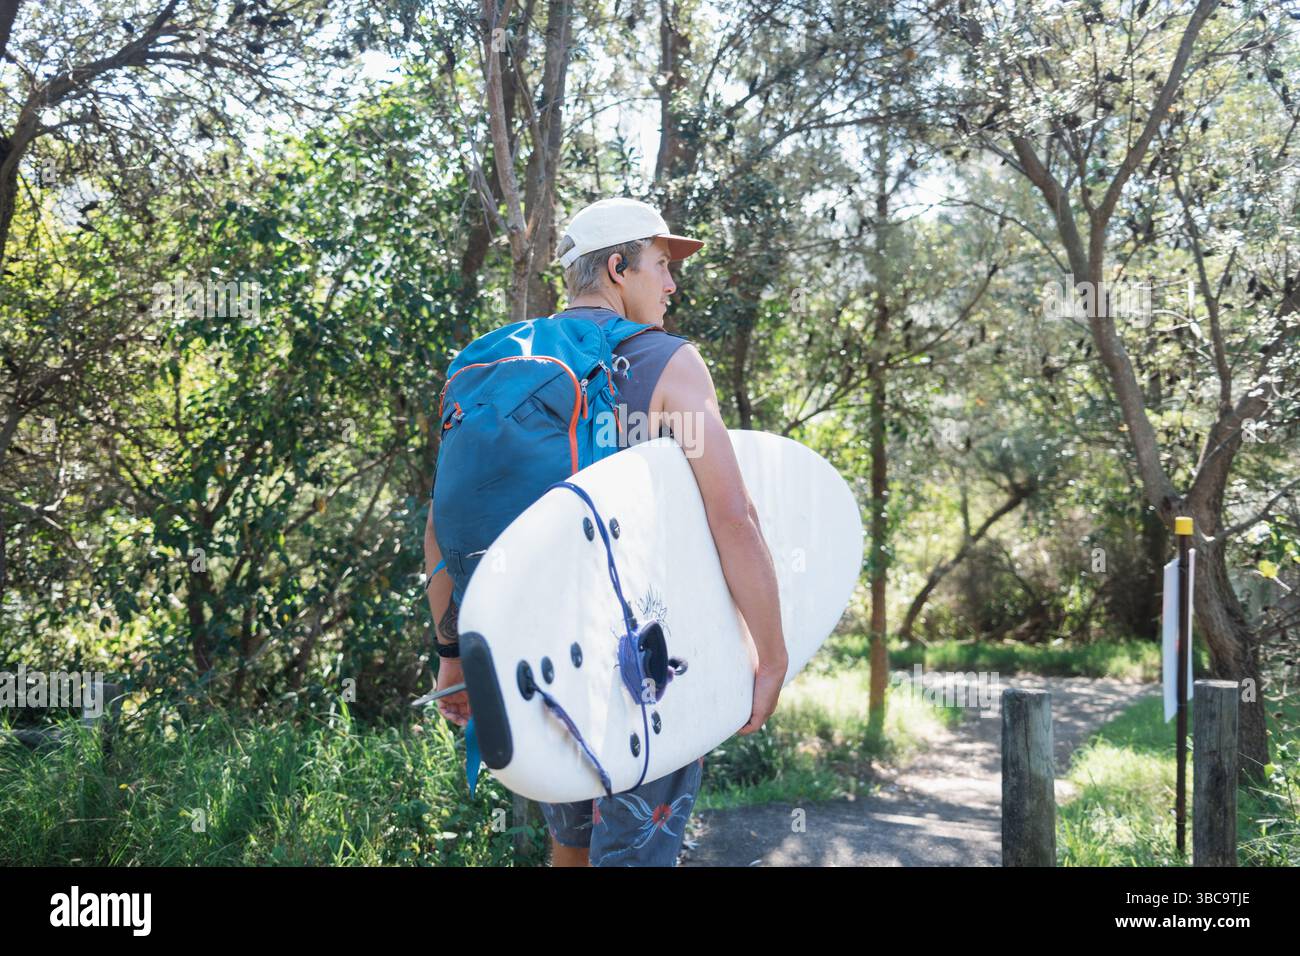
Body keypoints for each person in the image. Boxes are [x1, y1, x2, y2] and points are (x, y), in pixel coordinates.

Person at [423, 197, 787, 866]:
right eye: (660, 266)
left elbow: (444, 525)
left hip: (537, 652)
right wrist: (771, 654)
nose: (672, 284)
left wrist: (454, 653)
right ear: (618, 268)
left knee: (572, 847)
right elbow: (734, 518)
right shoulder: (665, 362)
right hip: (644, 662)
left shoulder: (493, 361)